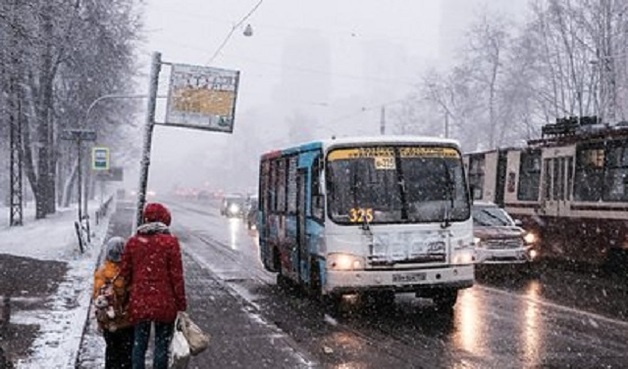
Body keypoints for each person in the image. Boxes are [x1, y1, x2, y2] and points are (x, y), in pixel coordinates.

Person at [120, 202, 187, 369]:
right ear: (165, 220)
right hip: (165, 303)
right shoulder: (170, 243)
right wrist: (181, 304)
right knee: (162, 344)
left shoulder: (134, 242)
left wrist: (125, 298)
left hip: (140, 301)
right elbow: (176, 277)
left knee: (139, 343)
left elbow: (125, 274)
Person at [93, 236, 133, 369]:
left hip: (108, 323)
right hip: (126, 322)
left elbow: (97, 297)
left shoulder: (102, 273)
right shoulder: (127, 273)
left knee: (111, 351)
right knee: (126, 355)